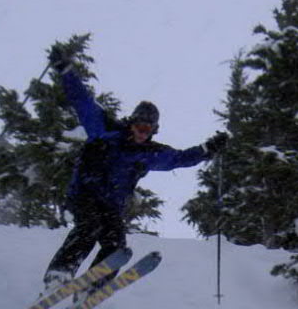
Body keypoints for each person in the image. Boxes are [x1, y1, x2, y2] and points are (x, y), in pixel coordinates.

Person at [41, 44, 229, 291]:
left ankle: (93, 286)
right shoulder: (105, 131)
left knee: (117, 246)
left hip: (111, 205)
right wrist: (65, 71)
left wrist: (208, 149)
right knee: (89, 225)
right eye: (139, 126)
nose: (142, 132)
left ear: (153, 131)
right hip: (84, 195)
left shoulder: (149, 154)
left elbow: (180, 158)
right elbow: (82, 101)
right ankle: (59, 273)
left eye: (147, 129)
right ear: (131, 123)